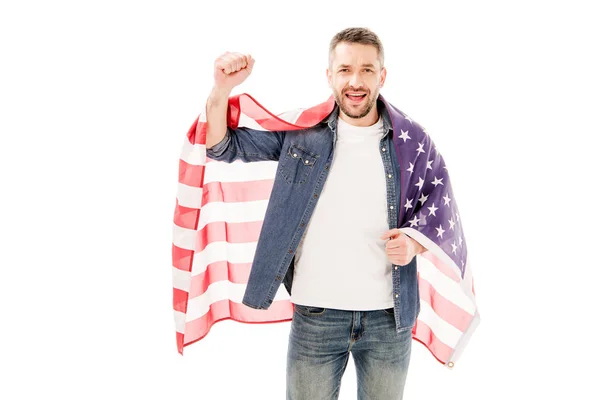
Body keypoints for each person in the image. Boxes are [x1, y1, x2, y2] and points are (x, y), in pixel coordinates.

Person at [205, 27, 426, 400]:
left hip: (389, 320)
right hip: (317, 317)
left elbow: (433, 211)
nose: (355, 81)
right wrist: (221, 90)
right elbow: (222, 147)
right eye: (345, 70)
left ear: (382, 75)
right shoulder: (302, 131)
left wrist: (415, 243)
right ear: (330, 75)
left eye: (367, 70)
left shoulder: (411, 140)